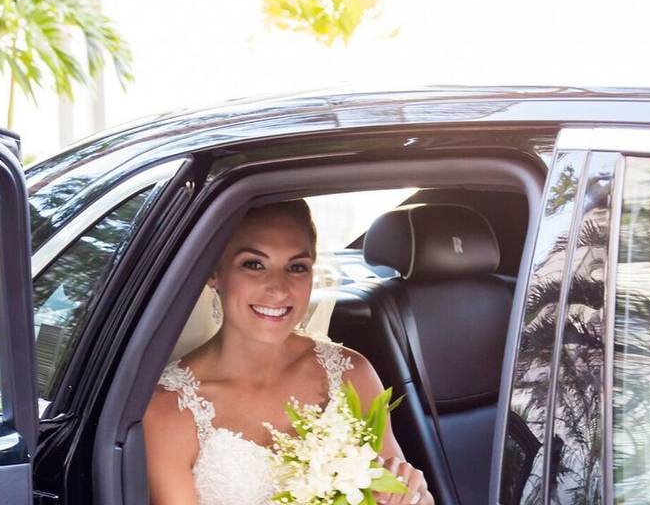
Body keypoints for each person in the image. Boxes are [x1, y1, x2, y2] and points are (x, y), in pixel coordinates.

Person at [142, 199, 434, 505]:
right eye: (254, 264)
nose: (279, 289)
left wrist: (412, 493)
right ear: (214, 272)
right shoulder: (168, 411)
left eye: (296, 267)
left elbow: (398, 490)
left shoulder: (350, 372)